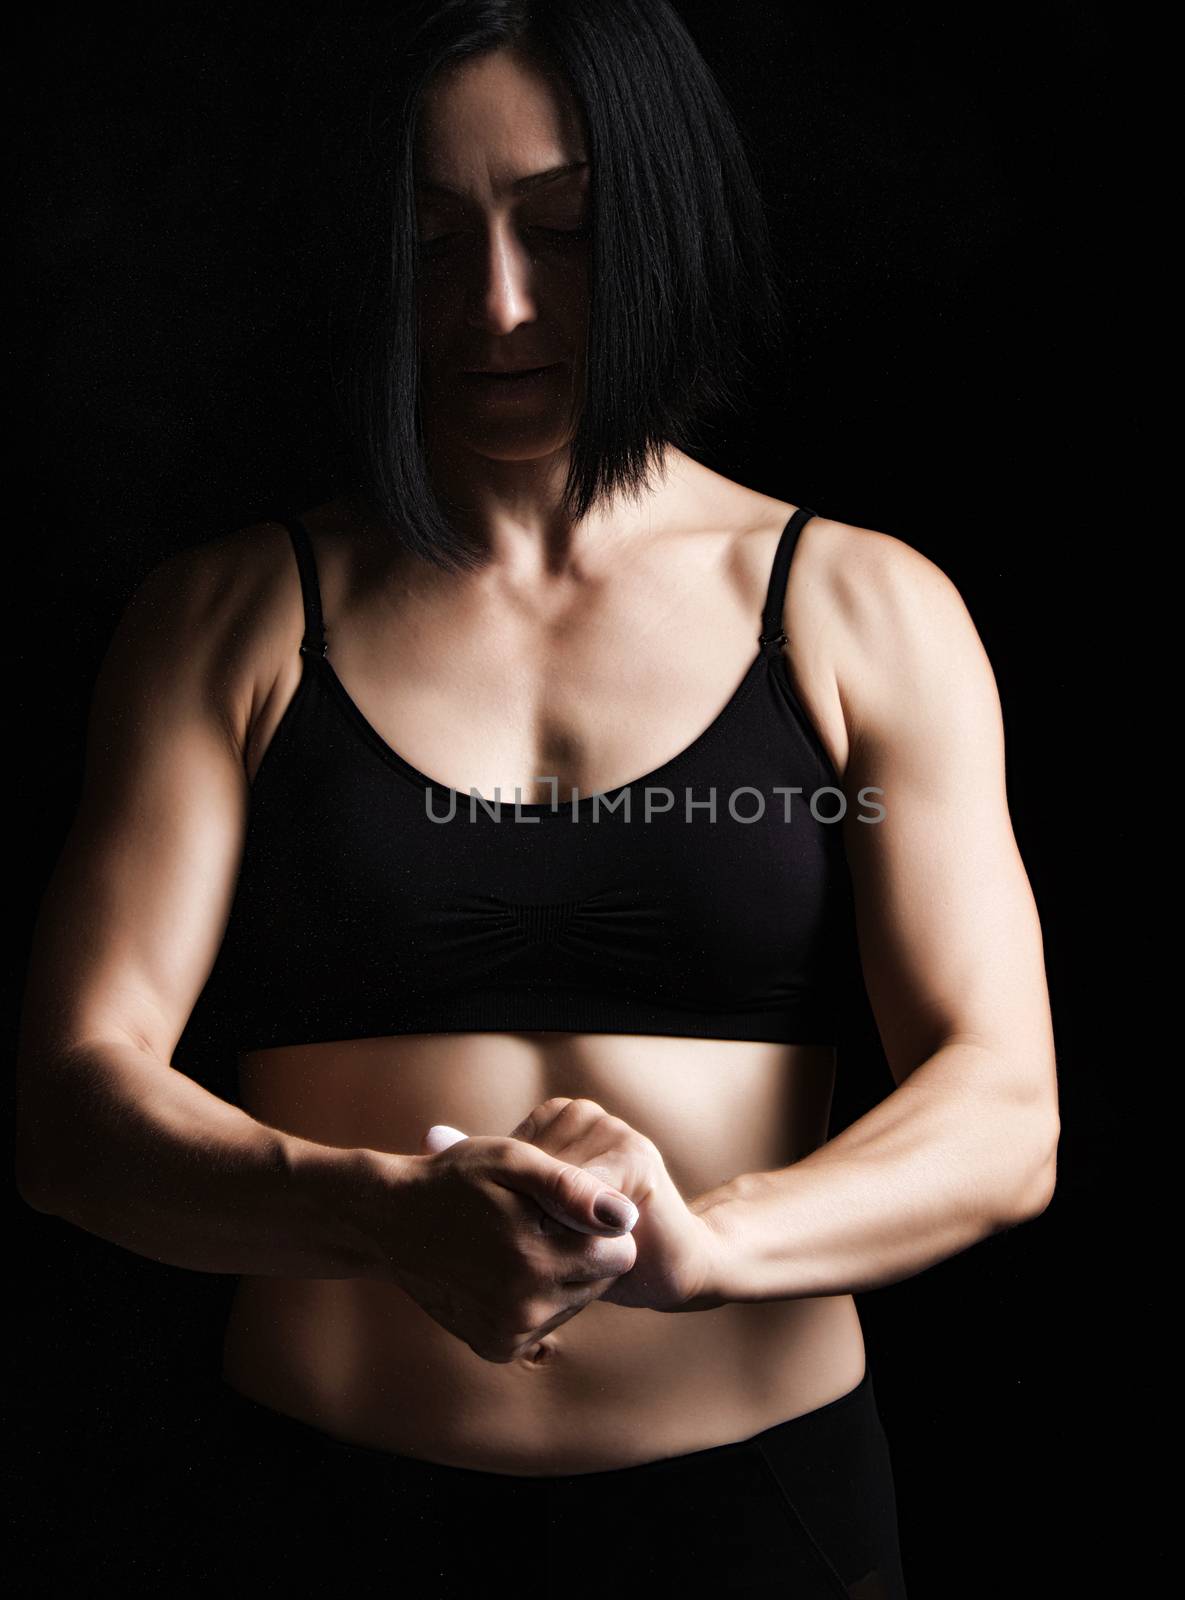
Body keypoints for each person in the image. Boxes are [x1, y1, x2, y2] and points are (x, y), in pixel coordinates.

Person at [15, 4, 1059, 1596]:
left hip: (760, 1520)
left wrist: (715, 1248)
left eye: (565, 229)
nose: (495, 307)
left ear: (663, 223)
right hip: (316, 1516)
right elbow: (74, 1110)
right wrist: (384, 1215)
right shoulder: (229, 617)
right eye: (430, 243)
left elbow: (1005, 1114)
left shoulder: (863, 607)